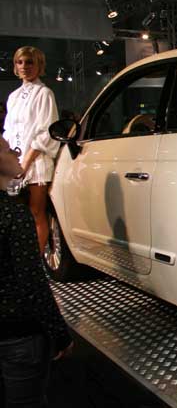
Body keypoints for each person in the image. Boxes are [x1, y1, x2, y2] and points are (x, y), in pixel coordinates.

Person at [0, 137, 74, 407]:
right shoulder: (14, 214)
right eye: (9, 149)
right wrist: (60, 334)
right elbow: (32, 284)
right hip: (18, 335)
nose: (17, 153)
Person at [2, 46, 59, 253]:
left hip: (36, 162)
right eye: (20, 62)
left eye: (29, 62)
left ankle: (36, 262)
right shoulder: (13, 96)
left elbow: (46, 131)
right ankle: (21, 259)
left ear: (39, 65)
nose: (24, 66)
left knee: (36, 213)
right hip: (15, 163)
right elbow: (9, 131)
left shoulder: (45, 93)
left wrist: (25, 162)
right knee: (18, 216)